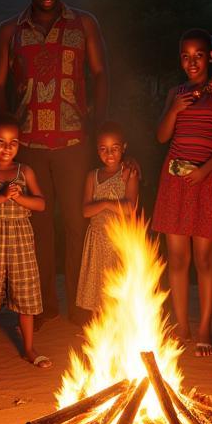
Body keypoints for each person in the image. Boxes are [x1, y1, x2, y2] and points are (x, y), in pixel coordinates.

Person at [0, 0, 111, 325]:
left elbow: (101, 73)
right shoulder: (10, 30)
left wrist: (97, 125)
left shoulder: (84, 23)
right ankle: (41, 305)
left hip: (74, 140)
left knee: (77, 223)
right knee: (38, 228)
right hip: (29, 145)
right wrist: (4, 131)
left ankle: (79, 304)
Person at [152, 29, 212, 355]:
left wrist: (205, 169)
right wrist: (173, 109)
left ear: (210, 57)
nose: (192, 62)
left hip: (205, 178)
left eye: (198, 55)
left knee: (204, 258)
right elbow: (161, 137)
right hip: (174, 181)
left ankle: (204, 329)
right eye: (185, 56)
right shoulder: (176, 92)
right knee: (177, 257)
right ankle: (182, 326)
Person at [0, 113, 51, 375]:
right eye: (0, 142)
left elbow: (41, 203)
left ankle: (29, 348)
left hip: (20, 240)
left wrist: (20, 199)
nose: (7, 147)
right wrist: (3, 195)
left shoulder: (24, 171)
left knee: (25, 295)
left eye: (13, 142)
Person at [76, 121, 140, 318]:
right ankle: (100, 332)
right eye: (103, 149)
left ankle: (121, 330)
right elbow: (86, 211)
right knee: (98, 288)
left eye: (115, 149)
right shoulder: (92, 176)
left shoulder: (129, 174)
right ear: (97, 150)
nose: (109, 154)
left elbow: (130, 207)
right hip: (97, 240)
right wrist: (109, 204)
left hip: (118, 241)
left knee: (118, 288)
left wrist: (102, 204)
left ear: (124, 148)